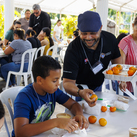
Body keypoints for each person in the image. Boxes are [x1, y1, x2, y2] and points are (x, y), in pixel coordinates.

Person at [12, 56, 89, 137]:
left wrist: (79, 114)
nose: (58, 84)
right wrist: (55, 122)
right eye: (54, 81)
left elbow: (73, 104)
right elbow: (20, 132)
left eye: (58, 80)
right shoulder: (24, 97)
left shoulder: (52, 91)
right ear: (40, 80)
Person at [63, 11, 122, 105]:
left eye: (92, 33)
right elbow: (67, 83)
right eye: (84, 33)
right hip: (77, 88)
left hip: (98, 85)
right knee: (78, 115)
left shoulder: (110, 39)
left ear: (101, 28)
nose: (88, 38)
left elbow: (117, 60)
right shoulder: (73, 49)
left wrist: (121, 78)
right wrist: (80, 92)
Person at [118, 17, 137, 93]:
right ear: (133, 26)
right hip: (128, 86)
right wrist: (122, 80)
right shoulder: (125, 42)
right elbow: (120, 65)